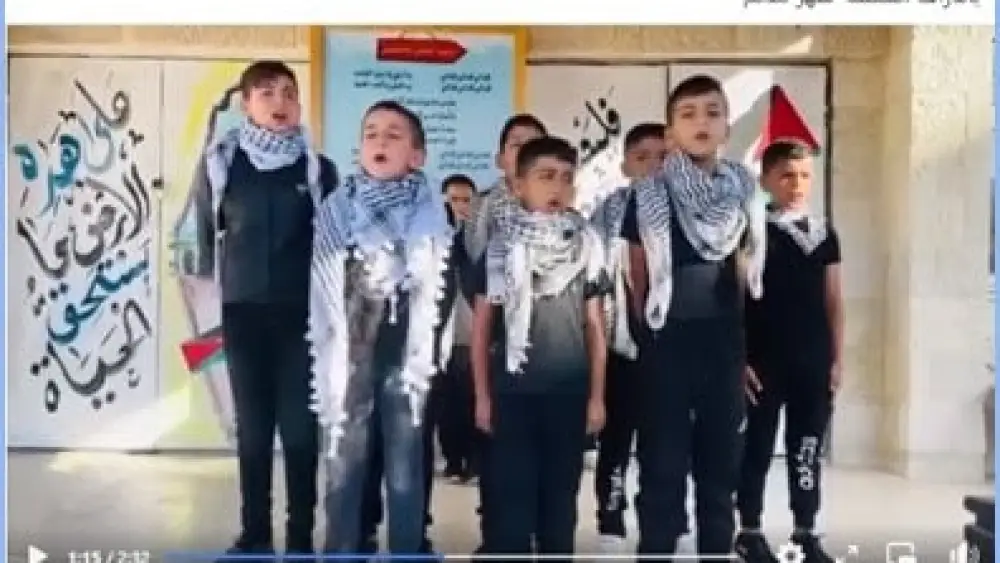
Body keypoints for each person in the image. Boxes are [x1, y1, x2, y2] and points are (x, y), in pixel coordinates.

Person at [192, 60, 338, 558]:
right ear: (246, 105)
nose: (281, 103)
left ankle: (300, 538)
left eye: (289, 93)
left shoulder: (320, 170)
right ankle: (254, 534)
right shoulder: (221, 164)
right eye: (268, 93)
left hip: (302, 317)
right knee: (253, 432)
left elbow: (336, 248)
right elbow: (202, 238)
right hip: (243, 314)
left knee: (299, 431)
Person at [624, 74, 767, 559]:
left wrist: (743, 353)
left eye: (712, 112)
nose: (701, 122)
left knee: (718, 474)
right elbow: (638, 275)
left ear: (727, 127)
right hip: (666, 351)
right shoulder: (647, 195)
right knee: (662, 471)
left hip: (722, 353)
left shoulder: (745, 194)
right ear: (670, 135)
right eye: (688, 114)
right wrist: (651, 339)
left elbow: (746, 273)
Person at [308, 99, 453, 556]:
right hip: (349, 345)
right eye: (371, 132)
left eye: (394, 134)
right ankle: (341, 549)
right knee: (344, 460)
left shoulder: (432, 215)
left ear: (417, 156)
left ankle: (408, 548)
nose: (380, 141)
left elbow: (440, 291)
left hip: (405, 348)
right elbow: (323, 283)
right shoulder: (337, 207)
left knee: (406, 461)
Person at [469, 135, 611, 560]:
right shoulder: (498, 251)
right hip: (512, 395)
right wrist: (481, 396)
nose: (557, 188)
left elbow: (595, 329)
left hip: (568, 394)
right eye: (545, 176)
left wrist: (597, 398)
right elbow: (480, 332)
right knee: (512, 508)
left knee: (559, 507)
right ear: (518, 187)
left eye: (567, 178)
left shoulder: (587, 246)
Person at [735, 140, 843, 563]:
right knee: (758, 447)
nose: (796, 184)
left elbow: (834, 300)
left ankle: (805, 530)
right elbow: (737, 295)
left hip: (812, 360)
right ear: (766, 180)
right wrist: (740, 358)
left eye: (804, 175)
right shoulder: (754, 230)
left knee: (806, 448)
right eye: (786, 175)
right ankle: (749, 530)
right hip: (764, 361)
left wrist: (837, 359)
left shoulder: (825, 233)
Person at [465, 113, 548, 553]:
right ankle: (494, 536)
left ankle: (535, 530)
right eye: (516, 144)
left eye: (534, 143)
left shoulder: (562, 208)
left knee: (540, 451)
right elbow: (472, 270)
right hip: (495, 338)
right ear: (501, 158)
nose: (524, 150)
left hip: (551, 344)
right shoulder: (484, 207)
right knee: (495, 446)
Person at [589, 122, 670, 552]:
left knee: (664, 442)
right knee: (616, 440)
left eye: (663, 157)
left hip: (672, 351)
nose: (654, 166)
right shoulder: (608, 212)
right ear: (625, 164)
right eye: (643, 157)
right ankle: (610, 517)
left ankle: (662, 517)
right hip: (621, 344)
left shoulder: (686, 210)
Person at [437, 173, 478, 483]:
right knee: (448, 401)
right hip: (445, 333)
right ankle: (453, 460)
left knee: (474, 398)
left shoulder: (481, 236)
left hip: (476, 330)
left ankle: (474, 459)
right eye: (454, 200)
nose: (461, 206)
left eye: (467, 200)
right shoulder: (437, 237)